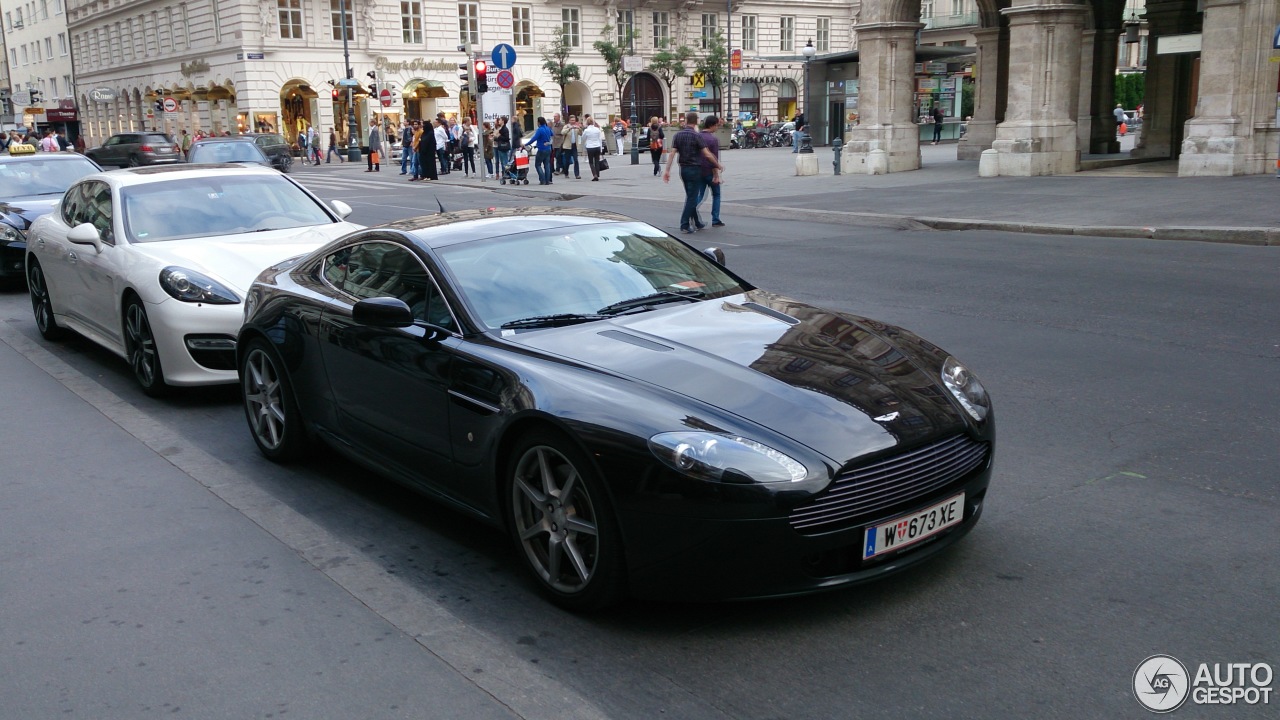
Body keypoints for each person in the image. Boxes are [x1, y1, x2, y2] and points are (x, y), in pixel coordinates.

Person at [663, 111, 723, 234]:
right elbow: (707, 154)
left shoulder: (677, 135)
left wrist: (667, 170)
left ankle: (697, 222)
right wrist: (717, 165)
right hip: (695, 169)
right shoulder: (697, 136)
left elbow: (672, 153)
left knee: (690, 195)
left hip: (683, 170)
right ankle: (684, 224)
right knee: (692, 198)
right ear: (696, 121)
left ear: (686, 121)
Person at [694, 116, 725, 227]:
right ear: (712, 125)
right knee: (716, 195)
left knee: (700, 194)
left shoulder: (697, 136)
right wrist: (716, 174)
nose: (717, 127)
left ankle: (691, 210)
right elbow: (714, 158)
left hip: (698, 169)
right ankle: (715, 219)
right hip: (710, 171)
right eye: (717, 125)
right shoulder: (713, 139)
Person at [528, 116, 554, 185]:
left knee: (537, 165)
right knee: (547, 165)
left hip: (541, 149)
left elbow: (534, 138)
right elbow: (552, 134)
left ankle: (542, 179)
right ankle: (548, 180)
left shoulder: (539, 130)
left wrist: (526, 144)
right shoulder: (548, 128)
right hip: (548, 149)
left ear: (539, 122)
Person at [582, 116, 604, 181]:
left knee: (591, 162)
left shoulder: (586, 130)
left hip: (590, 147)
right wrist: (601, 148)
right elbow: (600, 139)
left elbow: (583, 138)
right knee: (597, 161)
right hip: (597, 146)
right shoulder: (597, 129)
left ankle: (594, 175)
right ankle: (597, 173)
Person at [560, 115, 581, 179]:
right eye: (571, 120)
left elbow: (581, 133)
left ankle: (577, 174)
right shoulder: (566, 126)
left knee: (576, 160)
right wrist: (569, 128)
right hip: (567, 146)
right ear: (569, 120)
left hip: (574, 145)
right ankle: (566, 173)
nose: (573, 121)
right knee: (567, 161)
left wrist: (579, 128)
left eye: (574, 120)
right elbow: (562, 133)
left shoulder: (576, 127)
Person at [494, 117, 512, 184]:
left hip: (503, 147)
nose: (499, 121)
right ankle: (506, 173)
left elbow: (506, 138)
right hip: (501, 146)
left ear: (503, 121)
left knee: (505, 161)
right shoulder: (502, 128)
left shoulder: (505, 129)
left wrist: (498, 136)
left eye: (500, 120)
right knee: (503, 161)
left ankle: (507, 173)